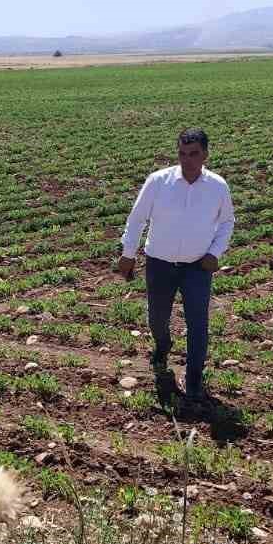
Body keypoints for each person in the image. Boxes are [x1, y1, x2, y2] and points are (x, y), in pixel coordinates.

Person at [117, 129, 236, 401]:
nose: (187, 160)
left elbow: (227, 222)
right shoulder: (158, 181)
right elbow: (137, 219)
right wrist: (128, 253)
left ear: (205, 154)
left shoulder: (217, 186)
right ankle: (163, 344)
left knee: (198, 322)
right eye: (182, 154)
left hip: (197, 266)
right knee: (157, 318)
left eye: (194, 154)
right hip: (159, 263)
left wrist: (215, 252)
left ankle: (194, 377)